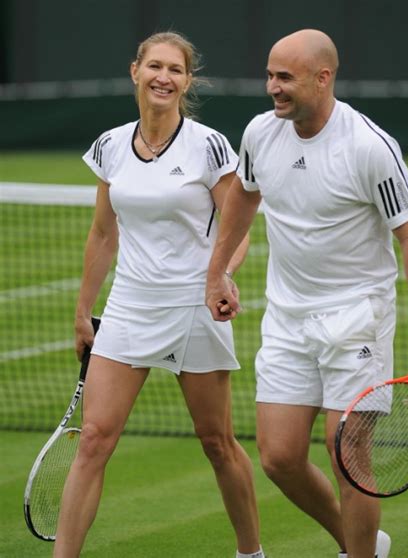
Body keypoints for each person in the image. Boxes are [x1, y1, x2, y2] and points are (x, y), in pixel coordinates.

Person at [206, 29, 408, 558]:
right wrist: (218, 271)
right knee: (278, 457)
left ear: (323, 78)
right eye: (270, 75)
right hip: (287, 318)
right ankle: (362, 541)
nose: (273, 87)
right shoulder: (259, 133)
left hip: (357, 319)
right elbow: (243, 199)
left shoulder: (369, 147)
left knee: (348, 453)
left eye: (285, 77)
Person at [53, 31, 265, 558]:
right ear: (135, 71)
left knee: (216, 442)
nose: (163, 77)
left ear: (187, 80)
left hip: (195, 307)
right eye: (155, 66)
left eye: (175, 69)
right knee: (96, 439)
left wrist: (221, 278)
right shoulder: (108, 145)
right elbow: (104, 234)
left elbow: (236, 225)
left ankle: (251, 553)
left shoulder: (209, 145)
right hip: (128, 307)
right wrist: (85, 311)